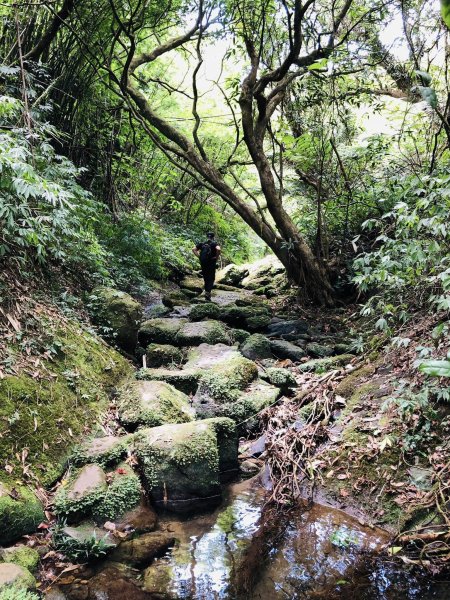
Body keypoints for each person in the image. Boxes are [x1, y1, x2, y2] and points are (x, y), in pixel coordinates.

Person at [193, 232, 221, 301]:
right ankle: (208, 293)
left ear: (207, 237)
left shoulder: (202, 243)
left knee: (205, 277)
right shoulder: (214, 244)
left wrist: (199, 256)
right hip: (211, 262)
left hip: (203, 263)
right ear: (213, 237)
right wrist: (216, 257)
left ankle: (207, 292)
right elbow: (218, 249)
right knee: (211, 278)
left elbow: (193, 249)